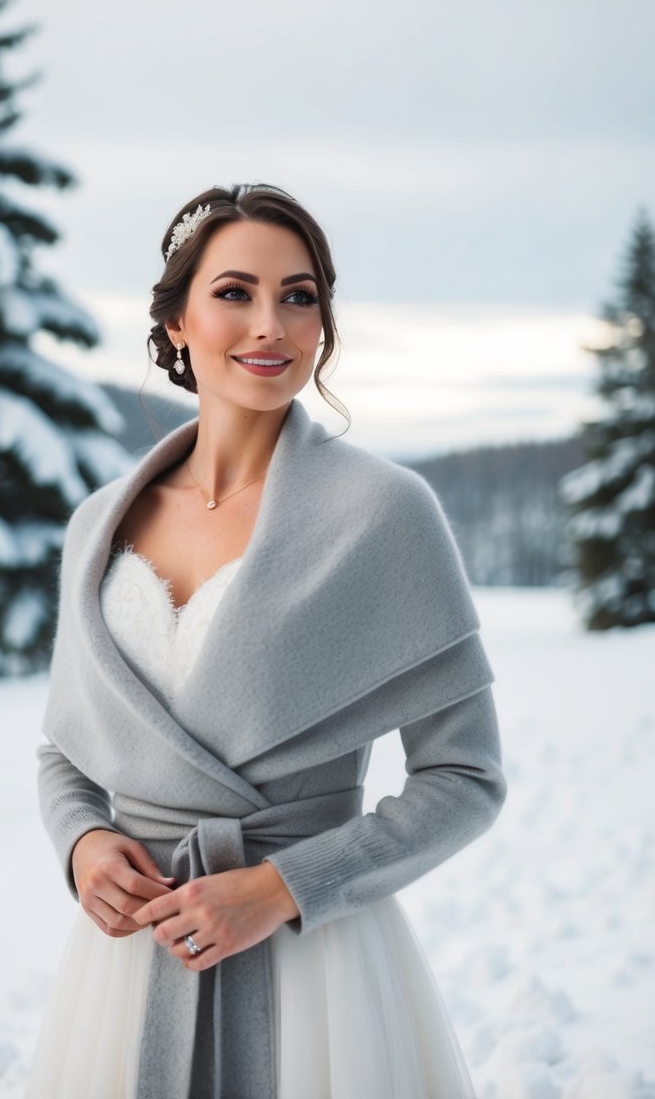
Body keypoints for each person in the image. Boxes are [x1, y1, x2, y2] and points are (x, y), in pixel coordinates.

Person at [27, 183, 507, 1098]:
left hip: (313, 951)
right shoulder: (98, 524)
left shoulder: (385, 515)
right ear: (174, 322)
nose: (271, 325)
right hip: (132, 962)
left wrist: (286, 886)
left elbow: (465, 780)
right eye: (234, 292)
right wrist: (83, 844)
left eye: (299, 295)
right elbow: (69, 749)